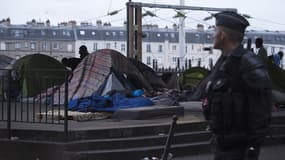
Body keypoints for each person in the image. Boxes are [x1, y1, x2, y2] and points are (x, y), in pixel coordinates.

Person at [202, 11, 272, 160]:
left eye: (215, 30)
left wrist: (253, 147)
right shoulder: (223, 62)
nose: (212, 35)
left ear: (223, 35)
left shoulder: (248, 63)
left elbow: (262, 109)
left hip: (240, 148)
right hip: (222, 144)